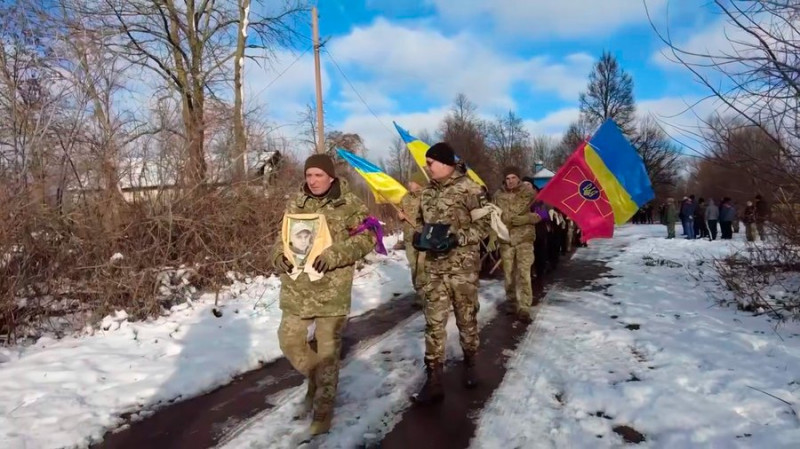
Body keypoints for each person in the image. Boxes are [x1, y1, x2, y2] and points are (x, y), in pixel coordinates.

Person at [272, 154, 377, 436]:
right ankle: (318, 382)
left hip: (332, 290)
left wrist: (335, 254)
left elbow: (370, 236)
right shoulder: (297, 202)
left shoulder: (348, 202)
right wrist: (277, 256)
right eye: (309, 175)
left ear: (330, 176)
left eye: (319, 175)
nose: (313, 181)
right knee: (289, 340)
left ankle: (323, 413)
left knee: (328, 351)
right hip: (298, 289)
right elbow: (281, 238)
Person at [411, 142, 490, 404]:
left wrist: (459, 237)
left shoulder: (471, 189)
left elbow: (485, 226)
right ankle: (433, 379)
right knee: (433, 325)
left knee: (466, 320)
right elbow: (423, 225)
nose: (427, 167)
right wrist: (418, 237)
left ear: (445, 163)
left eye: (430, 163)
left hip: (462, 269)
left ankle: (470, 363)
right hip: (435, 269)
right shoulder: (426, 194)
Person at [493, 167, 541, 323]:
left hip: (524, 239)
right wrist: (492, 234)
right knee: (508, 274)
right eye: (507, 178)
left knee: (523, 273)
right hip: (506, 240)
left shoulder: (529, 194)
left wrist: (527, 218)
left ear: (518, 178)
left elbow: (543, 213)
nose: (510, 181)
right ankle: (512, 303)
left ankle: (525, 307)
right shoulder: (498, 195)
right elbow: (492, 215)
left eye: (513, 177)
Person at [398, 171, 428, 307]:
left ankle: (426, 295)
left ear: (419, 183)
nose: (409, 184)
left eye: (412, 182)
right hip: (409, 237)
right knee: (413, 266)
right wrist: (400, 215)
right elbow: (400, 212)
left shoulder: (426, 197)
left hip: (423, 237)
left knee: (423, 266)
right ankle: (419, 294)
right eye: (410, 182)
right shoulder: (405, 198)